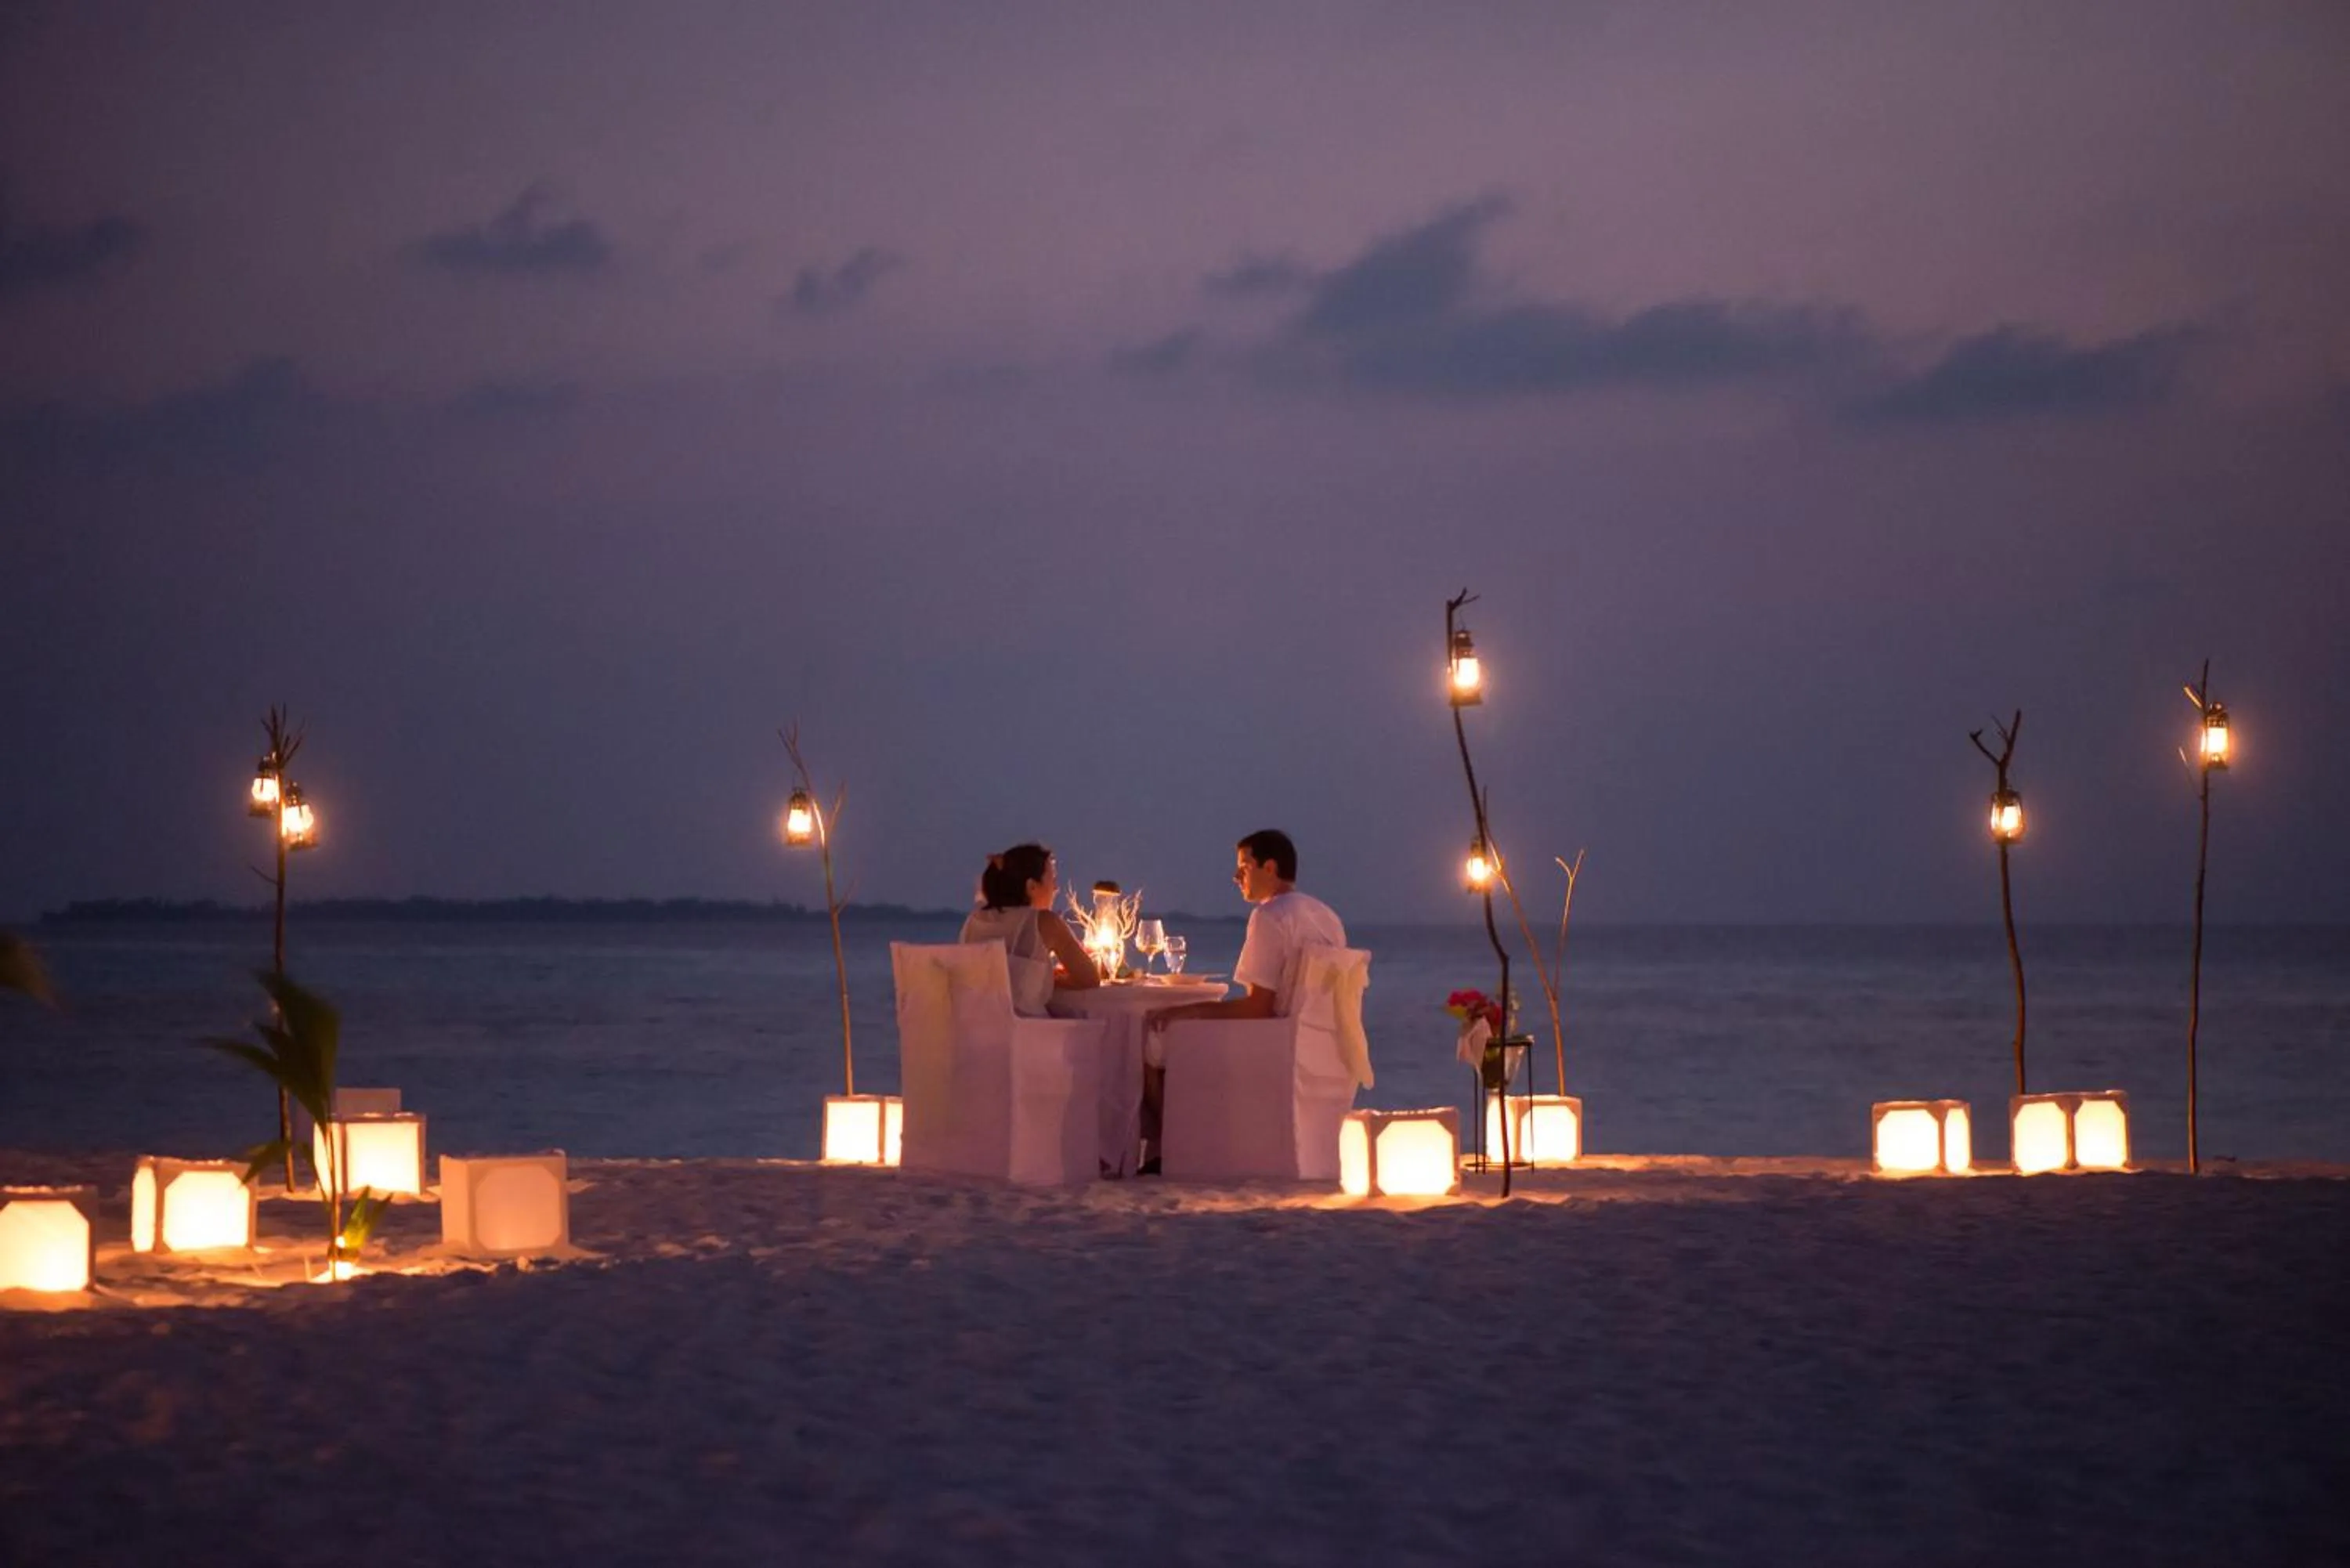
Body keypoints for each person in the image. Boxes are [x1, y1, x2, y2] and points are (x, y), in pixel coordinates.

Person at [1137, 829, 1344, 1171]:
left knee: (1152, 1037)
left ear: (1270, 868)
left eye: (1244, 867)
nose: (1236, 877)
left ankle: (1168, 1148)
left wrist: (1184, 1012)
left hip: (1274, 1041)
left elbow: (1257, 1007)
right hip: (1323, 1040)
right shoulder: (1327, 916)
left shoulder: (1271, 915)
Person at [960, 844, 1100, 1014]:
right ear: (1032, 886)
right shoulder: (1045, 922)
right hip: (1028, 1035)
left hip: (972, 1035)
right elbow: (1089, 978)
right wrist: (1049, 978)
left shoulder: (973, 921)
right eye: (1052, 879)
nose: (1056, 888)